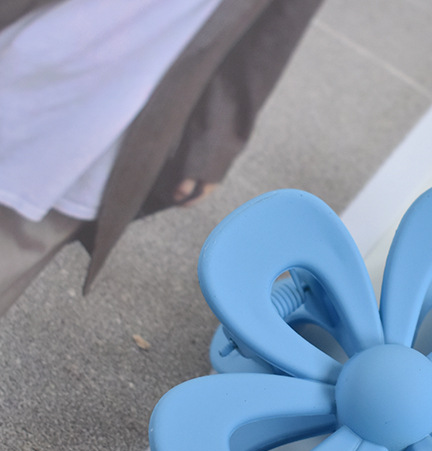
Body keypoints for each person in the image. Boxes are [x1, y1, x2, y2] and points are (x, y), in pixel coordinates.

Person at [0, 0, 323, 317]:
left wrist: (212, 145)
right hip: (31, 32)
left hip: (117, 107)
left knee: (20, 241)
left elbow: (274, 34)